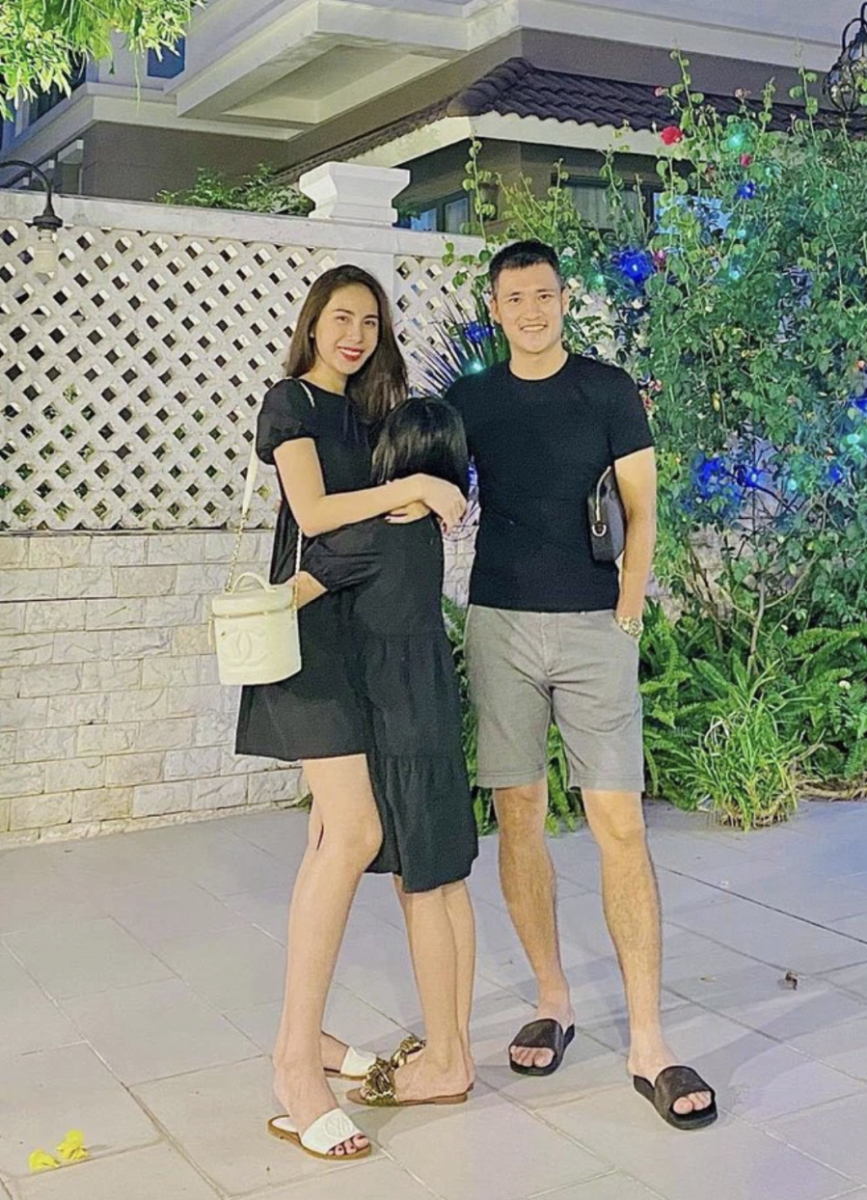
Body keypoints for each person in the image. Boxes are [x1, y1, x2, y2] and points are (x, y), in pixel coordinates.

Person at [445, 240, 716, 1131]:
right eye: (514, 298)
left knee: (618, 822)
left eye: (543, 295)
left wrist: (627, 612)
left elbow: (642, 507)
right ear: (494, 308)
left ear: (563, 301)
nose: (530, 310)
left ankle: (648, 1042)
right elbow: (433, 486)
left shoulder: (606, 390)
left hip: (595, 626)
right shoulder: (472, 401)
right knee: (519, 812)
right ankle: (553, 998)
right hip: (500, 624)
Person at [236, 266, 467, 1162]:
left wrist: (421, 485)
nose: (355, 335)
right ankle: (295, 1067)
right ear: (312, 323)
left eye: (369, 322)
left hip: (359, 642)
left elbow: (378, 525)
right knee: (357, 833)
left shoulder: (372, 417)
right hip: (309, 642)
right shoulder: (291, 402)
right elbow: (315, 511)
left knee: (331, 840)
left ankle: (307, 1039)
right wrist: (413, 490)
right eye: (341, 318)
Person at [279, 396, 478, 1116]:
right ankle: (453, 1046)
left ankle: (445, 1065)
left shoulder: (372, 531)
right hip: (433, 714)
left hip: (397, 725)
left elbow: (288, 595)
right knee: (447, 884)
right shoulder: (425, 529)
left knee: (418, 889)